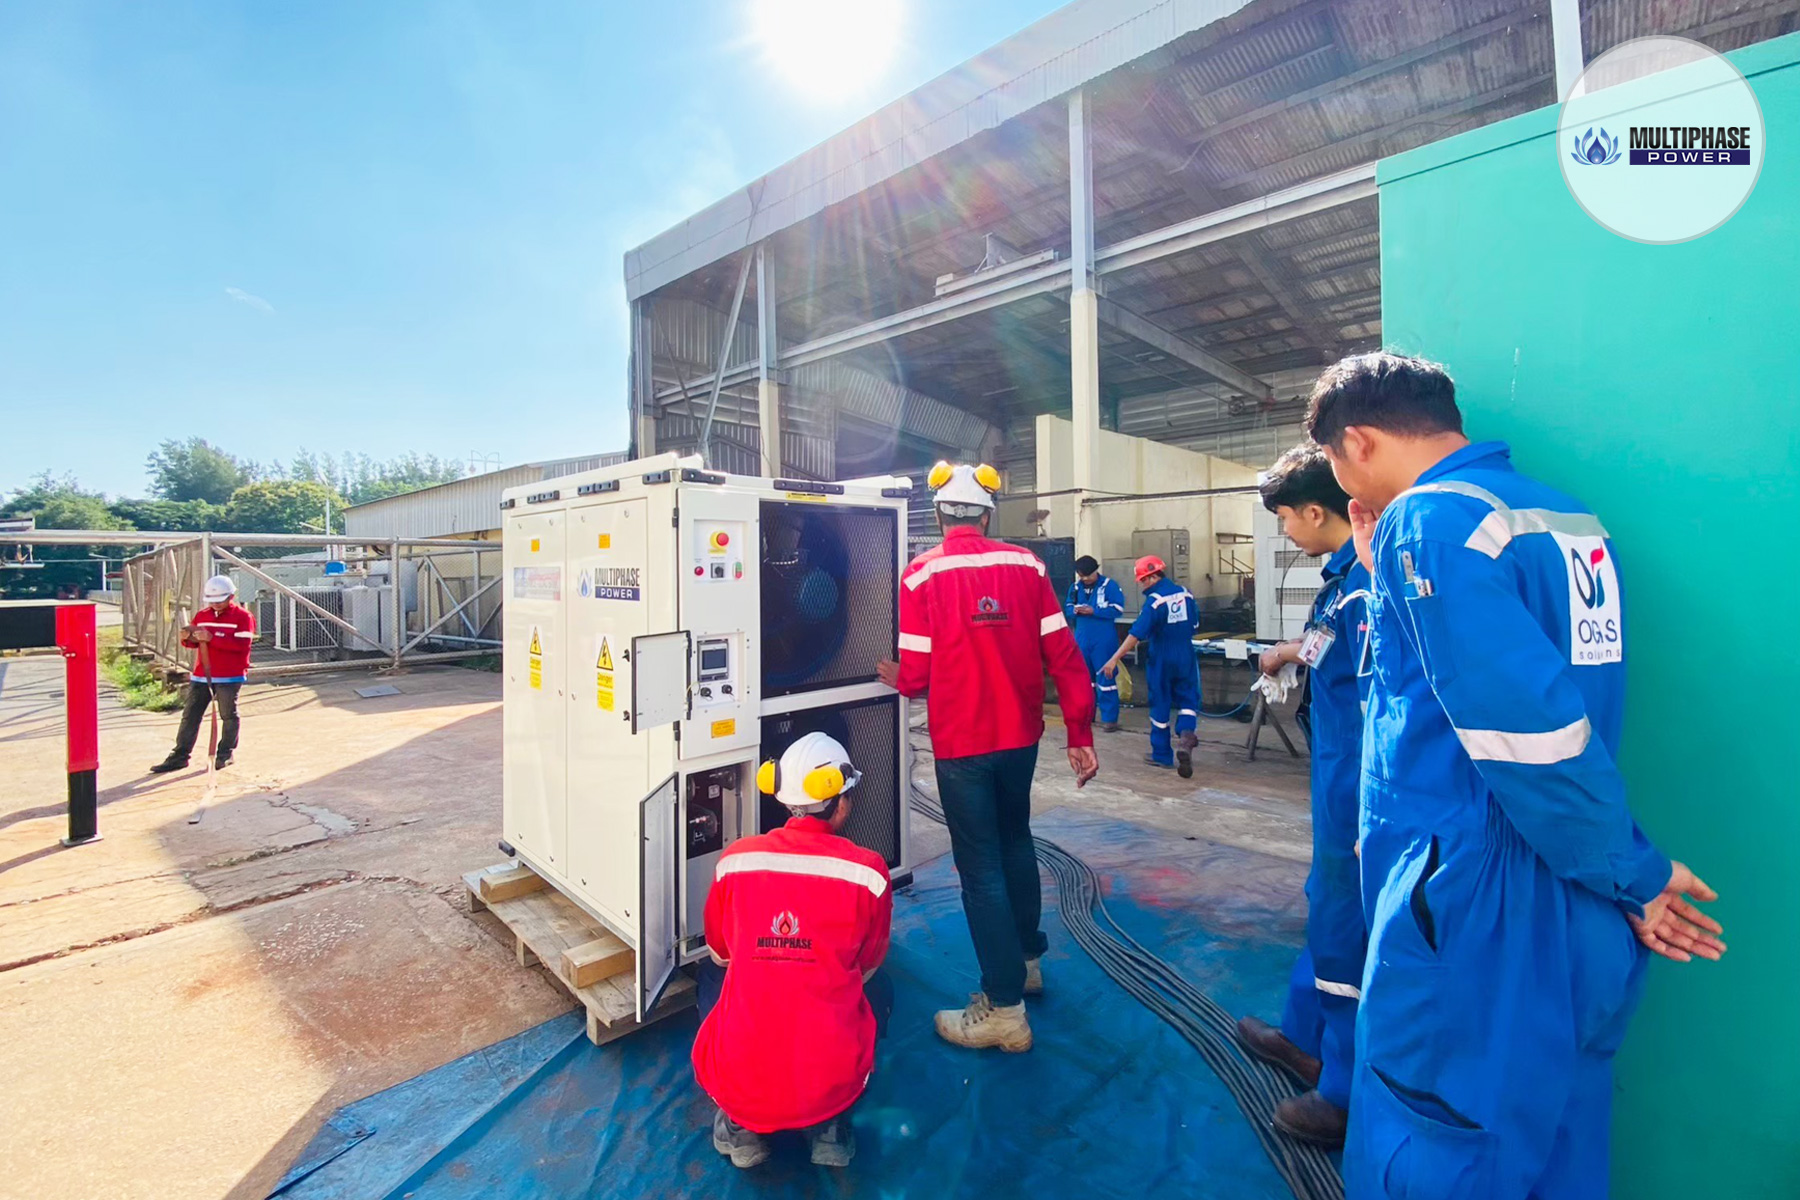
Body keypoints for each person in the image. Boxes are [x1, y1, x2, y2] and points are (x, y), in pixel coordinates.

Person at [1307, 352, 1724, 1198]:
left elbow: (1527, 738)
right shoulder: (1562, 518)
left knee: (1435, 1139)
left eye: (1334, 460)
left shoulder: (1429, 521)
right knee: (1562, 1140)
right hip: (1575, 898)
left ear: (1359, 442)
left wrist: (1634, 871)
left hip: (1475, 906)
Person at [876, 461, 1098, 1053]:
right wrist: (1080, 733)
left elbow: (916, 674)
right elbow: (1064, 655)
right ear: (987, 514)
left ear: (938, 514)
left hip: (963, 746)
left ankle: (1003, 1009)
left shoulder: (920, 575)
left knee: (980, 870)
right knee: (1015, 842)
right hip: (1019, 740)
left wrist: (896, 677)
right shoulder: (1028, 567)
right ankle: (1026, 962)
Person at [1233, 443, 1370, 1148]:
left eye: (1285, 518)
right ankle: (1303, 1036)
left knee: (1345, 919)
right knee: (1327, 904)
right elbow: (1327, 643)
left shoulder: (1367, 582)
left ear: (1316, 511)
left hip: (1359, 785)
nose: (1284, 531)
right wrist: (1287, 652)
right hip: (1335, 770)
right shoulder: (1342, 578)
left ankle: (1341, 1092)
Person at [692, 731, 894, 1170]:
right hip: (829, 1084)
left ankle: (741, 1128)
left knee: (712, 975)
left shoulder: (735, 861)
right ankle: (829, 1128)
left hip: (742, 1087)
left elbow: (721, 951)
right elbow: (868, 963)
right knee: (882, 987)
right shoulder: (869, 874)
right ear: (841, 801)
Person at [1099, 556, 1200, 777]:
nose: (1141, 585)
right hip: (1185, 654)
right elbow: (1195, 625)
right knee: (1188, 698)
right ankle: (1186, 735)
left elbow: (1135, 634)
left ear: (1153, 577)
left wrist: (1114, 658)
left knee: (1160, 701)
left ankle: (1162, 754)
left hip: (1162, 657)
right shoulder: (1186, 594)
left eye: (1143, 580)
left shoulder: (1154, 602)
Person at [150, 575, 254, 774]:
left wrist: (212, 638)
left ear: (231, 596)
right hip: (202, 675)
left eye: (220, 600)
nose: (215, 604)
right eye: (212, 601)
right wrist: (187, 639)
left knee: (228, 715)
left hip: (229, 675)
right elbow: (195, 643)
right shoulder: (202, 615)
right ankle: (180, 756)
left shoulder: (243, 617)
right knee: (190, 716)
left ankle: (225, 753)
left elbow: (242, 646)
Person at [1064, 555, 1126, 732]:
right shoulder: (1075, 588)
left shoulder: (1109, 586)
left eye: (1088, 575)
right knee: (1084, 679)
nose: (1085, 579)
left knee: (1106, 677)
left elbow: (1118, 609)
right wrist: (1075, 610)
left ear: (1095, 571)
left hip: (1103, 639)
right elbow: (1067, 607)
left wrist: (1094, 611)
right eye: (1081, 576)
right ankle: (1087, 715)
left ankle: (1110, 719)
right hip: (1082, 638)